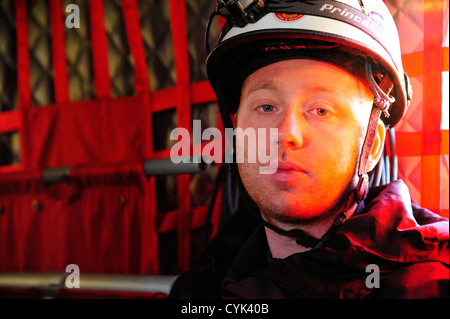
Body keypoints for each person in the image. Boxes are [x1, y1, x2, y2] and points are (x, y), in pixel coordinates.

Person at [169, 0, 449, 299]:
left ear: (373, 145)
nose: (286, 133)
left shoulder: (430, 283)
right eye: (266, 106)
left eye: (321, 110)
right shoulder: (207, 280)